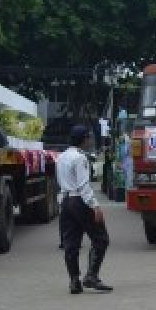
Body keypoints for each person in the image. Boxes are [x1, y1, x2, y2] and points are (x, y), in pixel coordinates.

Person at [57, 125, 111, 294]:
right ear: (83, 139)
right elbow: (83, 185)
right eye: (88, 138)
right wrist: (95, 205)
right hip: (79, 201)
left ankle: (74, 280)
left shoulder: (62, 157)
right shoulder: (80, 158)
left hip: (66, 200)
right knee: (101, 238)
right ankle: (91, 276)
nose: (89, 141)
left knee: (71, 243)